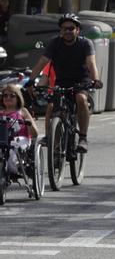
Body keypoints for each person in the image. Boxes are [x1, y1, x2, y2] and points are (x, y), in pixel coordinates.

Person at [29, 13, 103, 153]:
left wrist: (96, 80)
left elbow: (91, 63)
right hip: (61, 82)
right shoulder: (54, 43)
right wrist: (31, 80)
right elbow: (42, 62)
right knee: (51, 107)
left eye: (71, 28)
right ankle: (52, 140)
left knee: (81, 99)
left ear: (78, 30)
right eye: (64, 29)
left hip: (81, 81)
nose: (67, 31)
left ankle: (83, 137)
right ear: (61, 31)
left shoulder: (85, 43)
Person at [0, 83, 37, 176]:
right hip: (3, 140)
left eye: (12, 95)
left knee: (12, 148)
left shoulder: (23, 111)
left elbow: (35, 133)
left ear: (18, 98)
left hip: (20, 139)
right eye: (5, 95)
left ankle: (14, 169)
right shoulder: (0, 113)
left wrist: (29, 123)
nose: (8, 97)